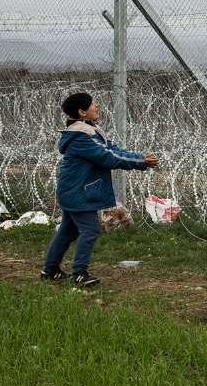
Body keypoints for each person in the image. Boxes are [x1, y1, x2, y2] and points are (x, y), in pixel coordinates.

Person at [42, 93, 158, 287]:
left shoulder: (90, 131)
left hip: (74, 190)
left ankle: (50, 270)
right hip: (78, 192)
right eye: (92, 104)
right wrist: (140, 162)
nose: (96, 106)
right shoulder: (81, 137)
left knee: (68, 232)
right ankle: (79, 273)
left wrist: (140, 158)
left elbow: (114, 150)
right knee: (90, 230)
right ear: (82, 112)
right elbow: (108, 157)